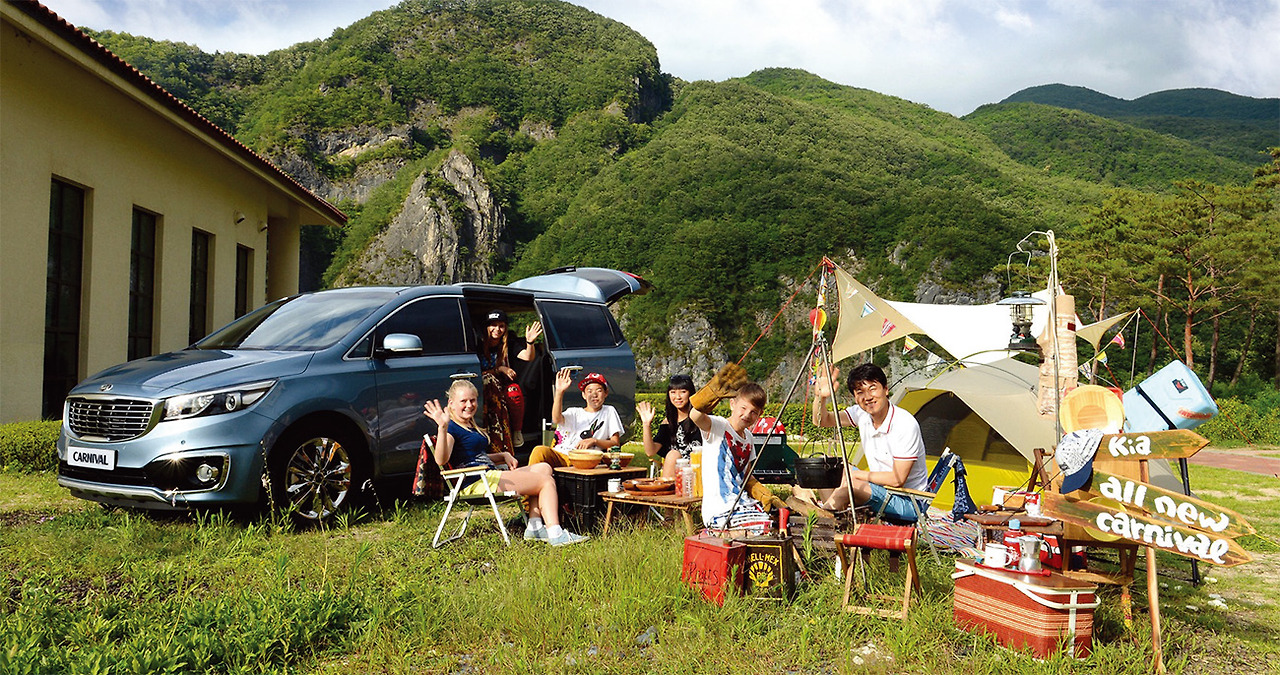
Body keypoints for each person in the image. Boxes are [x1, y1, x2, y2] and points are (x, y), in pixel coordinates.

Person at [423, 379, 587, 546]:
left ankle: (535, 527)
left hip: (487, 475)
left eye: (472, 400)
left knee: (544, 468)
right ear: (451, 403)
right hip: (477, 482)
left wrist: (503, 455)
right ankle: (556, 533)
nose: (469, 405)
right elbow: (441, 460)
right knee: (545, 482)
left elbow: (475, 456)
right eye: (463, 401)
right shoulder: (451, 428)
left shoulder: (469, 425)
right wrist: (442, 428)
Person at [808, 363, 927, 522]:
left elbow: (897, 480)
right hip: (880, 489)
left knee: (848, 486)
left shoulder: (904, 424)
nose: (868, 396)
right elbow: (822, 421)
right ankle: (837, 524)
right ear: (855, 398)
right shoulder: (861, 413)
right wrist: (820, 397)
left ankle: (819, 523)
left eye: (872, 388)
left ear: (885, 389)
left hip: (908, 501)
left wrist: (855, 475)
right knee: (825, 468)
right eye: (860, 392)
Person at [688, 382, 774, 533]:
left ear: (759, 414)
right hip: (719, 510)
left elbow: (746, 474)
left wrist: (762, 492)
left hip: (742, 503)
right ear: (732, 404)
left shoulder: (748, 438)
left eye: (753, 412)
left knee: (776, 523)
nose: (747, 415)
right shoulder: (718, 426)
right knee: (762, 529)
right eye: (743, 408)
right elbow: (695, 416)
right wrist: (711, 393)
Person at [528, 368, 624, 468]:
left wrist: (594, 441)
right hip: (562, 454)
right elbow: (556, 419)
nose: (594, 394)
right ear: (584, 395)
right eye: (589, 391)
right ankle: (531, 481)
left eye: (599, 390)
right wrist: (559, 392)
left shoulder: (609, 411)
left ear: (606, 393)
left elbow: (615, 443)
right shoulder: (574, 412)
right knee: (539, 451)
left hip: (586, 458)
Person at [479, 309, 542, 453]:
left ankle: (517, 432)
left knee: (514, 392)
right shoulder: (478, 345)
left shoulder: (509, 343)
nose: (497, 329)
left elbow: (528, 357)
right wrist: (499, 369)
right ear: (487, 327)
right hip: (482, 385)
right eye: (493, 325)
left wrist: (530, 342)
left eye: (501, 325)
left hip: (504, 386)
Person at [637, 374, 702, 478]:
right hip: (675, 476)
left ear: (690, 393)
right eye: (673, 392)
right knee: (673, 455)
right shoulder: (668, 423)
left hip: (698, 472)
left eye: (683, 392)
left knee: (673, 455)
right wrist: (646, 424)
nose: (678, 397)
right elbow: (650, 451)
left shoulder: (701, 419)